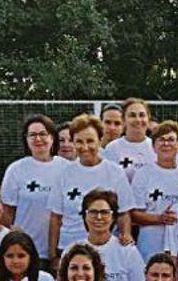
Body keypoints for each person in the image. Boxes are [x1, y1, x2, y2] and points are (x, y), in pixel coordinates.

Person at [49, 113, 129, 263]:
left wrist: (126, 236)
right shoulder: (64, 174)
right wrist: (53, 254)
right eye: (79, 141)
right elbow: (56, 217)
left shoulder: (115, 172)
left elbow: (123, 213)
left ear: (100, 140)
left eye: (90, 141)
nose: (85, 147)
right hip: (69, 248)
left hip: (105, 250)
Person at [1, 114, 64, 257]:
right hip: (26, 250)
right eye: (32, 135)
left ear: (52, 138)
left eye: (43, 134)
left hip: (59, 249)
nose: (38, 139)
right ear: (26, 139)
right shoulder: (16, 169)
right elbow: (7, 211)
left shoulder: (66, 168)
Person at [128, 120, 178, 261]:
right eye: (161, 140)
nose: (166, 144)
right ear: (153, 147)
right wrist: (160, 219)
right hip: (150, 245)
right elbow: (134, 214)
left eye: (171, 140)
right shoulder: (143, 174)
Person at [82, 188, 145, 281]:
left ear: (113, 218)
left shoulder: (128, 251)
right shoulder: (72, 251)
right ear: (84, 216)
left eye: (105, 212)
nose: (99, 217)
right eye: (93, 212)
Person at [106, 99, 156, 180]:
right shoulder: (112, 148)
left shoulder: (156, 147)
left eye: (142, 115)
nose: (138, 120)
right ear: (123, 120)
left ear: (148, 119)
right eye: (132, 115)